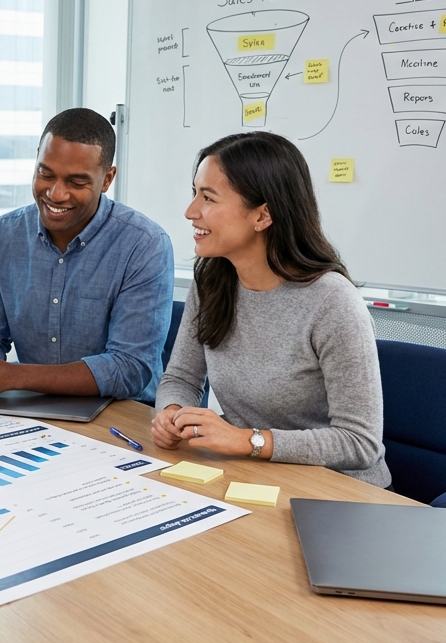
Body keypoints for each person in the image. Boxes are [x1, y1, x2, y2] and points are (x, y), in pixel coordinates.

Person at [152, 131, 389, 487]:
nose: (191, 211)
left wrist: (248, 440)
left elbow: (360, 442)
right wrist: (172, 414)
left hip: (339, 493)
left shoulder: (333, 302)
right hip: (256, 476)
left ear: (263, 215)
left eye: (209, 198)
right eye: (194, 193)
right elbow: (181, 379)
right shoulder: (213, 281)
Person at [0, 108, 174, 404]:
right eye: (45, 174)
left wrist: (10, 377)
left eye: (76, 183)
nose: (56, 194)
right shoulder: (4, 234)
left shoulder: (145, 244)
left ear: (107, 179)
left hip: (122, 415)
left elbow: (129, 369)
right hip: (36, 406)